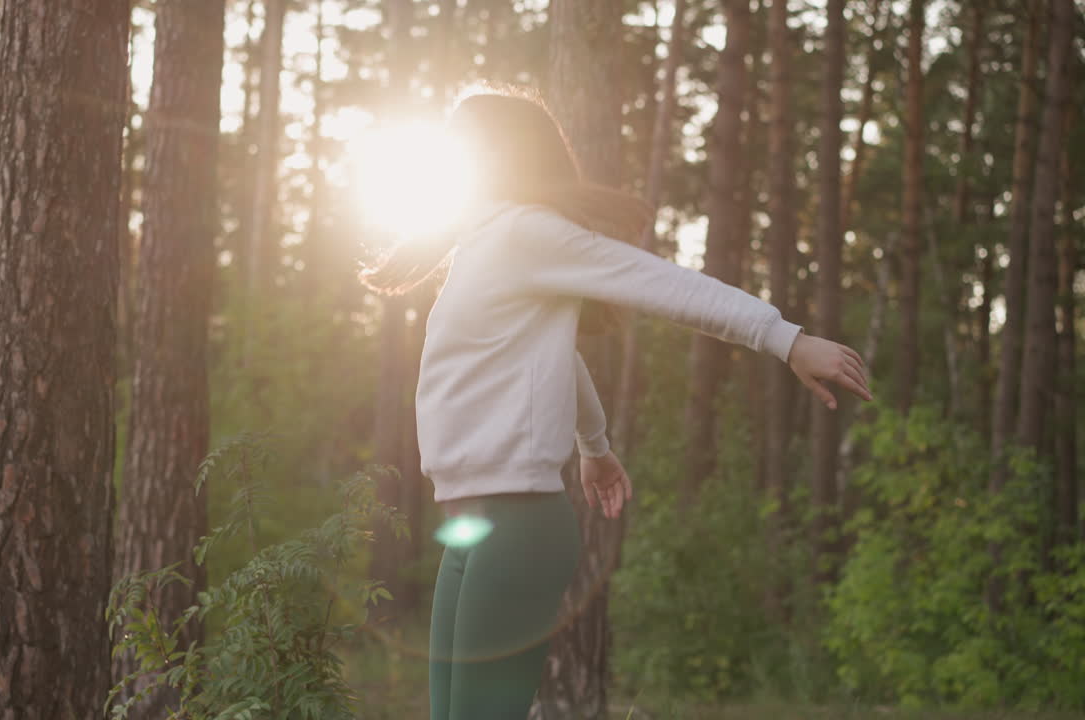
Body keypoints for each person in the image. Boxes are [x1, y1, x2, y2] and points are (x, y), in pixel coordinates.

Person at [360, 90, 872, 720]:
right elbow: (553, 359)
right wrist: (595, 448)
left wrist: (784, 338)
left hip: (517, 526)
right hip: (469, 529)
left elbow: (659, 283)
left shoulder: (525, 231)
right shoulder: (483, 246)